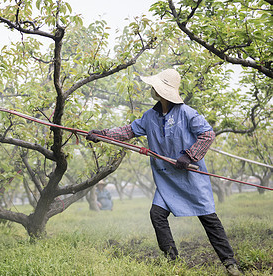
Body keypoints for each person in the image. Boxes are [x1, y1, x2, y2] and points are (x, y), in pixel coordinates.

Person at [86, 69, 241, 276]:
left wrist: (189, 156)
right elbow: (128, 131)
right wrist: (103, 134)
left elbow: (207, 135)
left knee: (209, 218)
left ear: (162, 91)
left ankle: (230, 263)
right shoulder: (150, 116)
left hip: (190, 176)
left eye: (155, 86)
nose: (152, 89)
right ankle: (172, 259)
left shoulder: (187, 113)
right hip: (166, 178)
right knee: (157, 215)